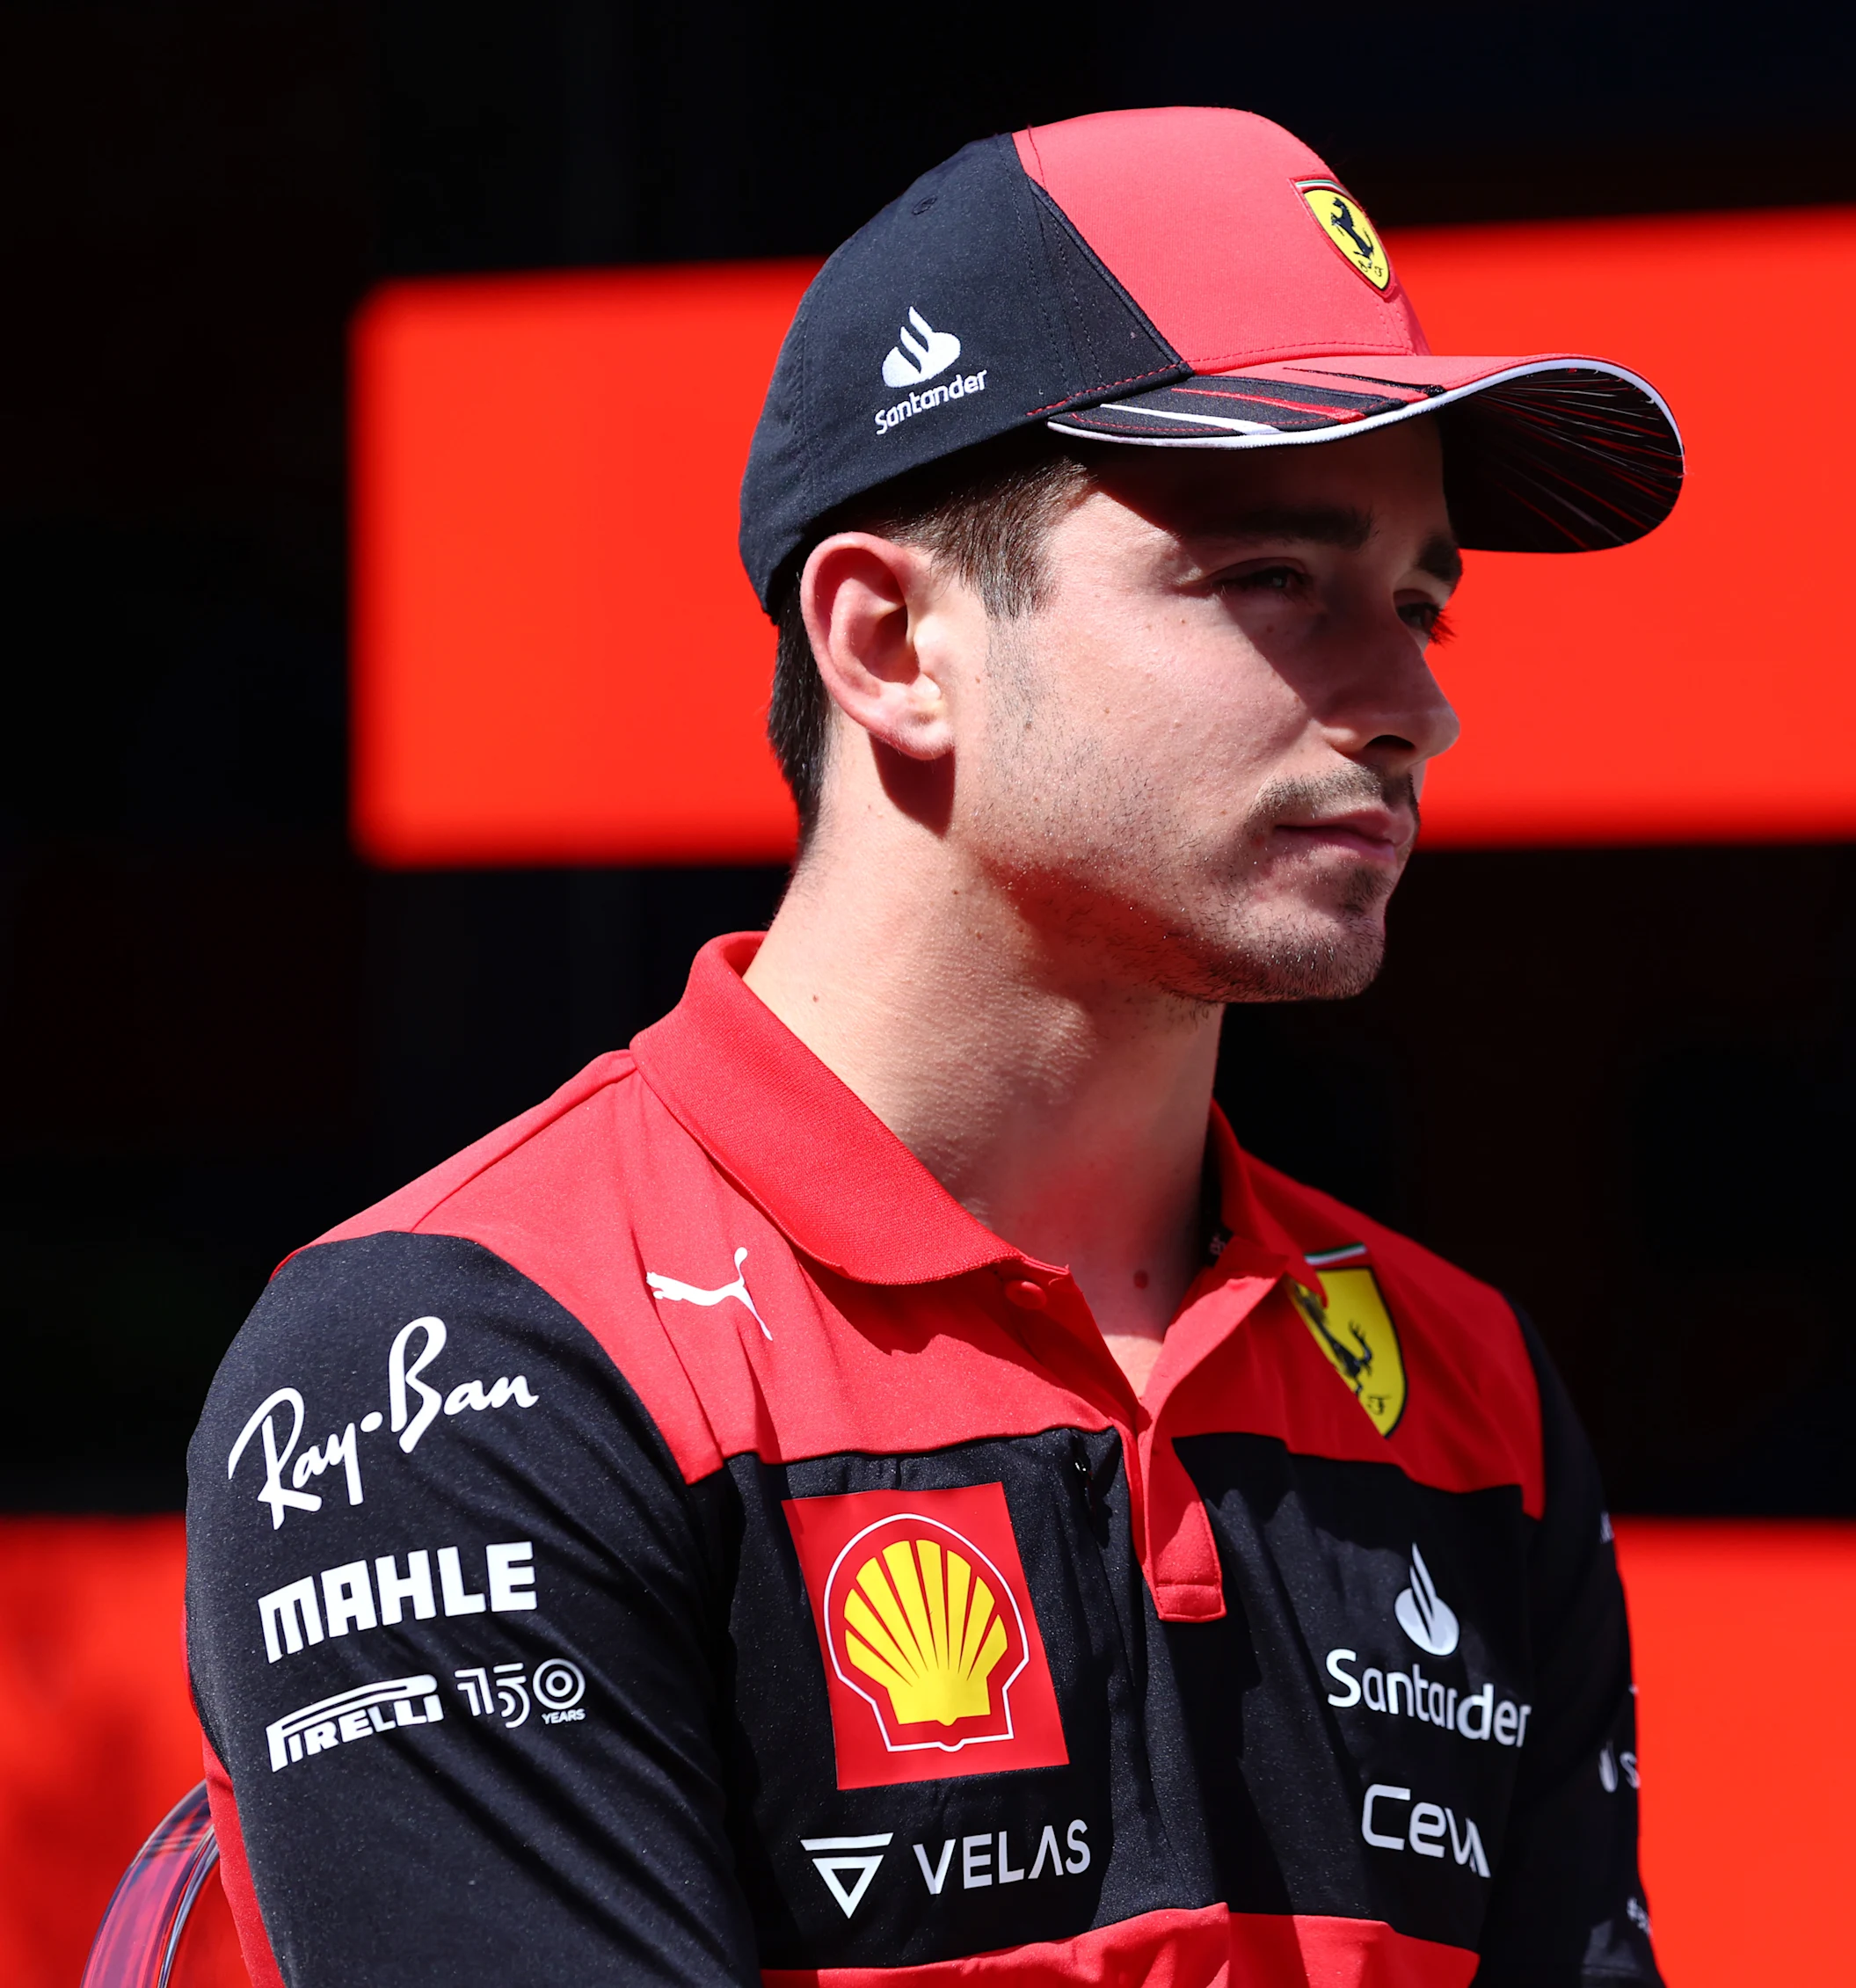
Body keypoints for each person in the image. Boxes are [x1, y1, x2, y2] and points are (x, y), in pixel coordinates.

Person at [183, 106, 1680, 1986]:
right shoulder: (461, 1360)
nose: (1412, 705)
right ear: (890, 638)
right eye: (1273, 580)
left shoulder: (1467, 1383)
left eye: (1418, 599)